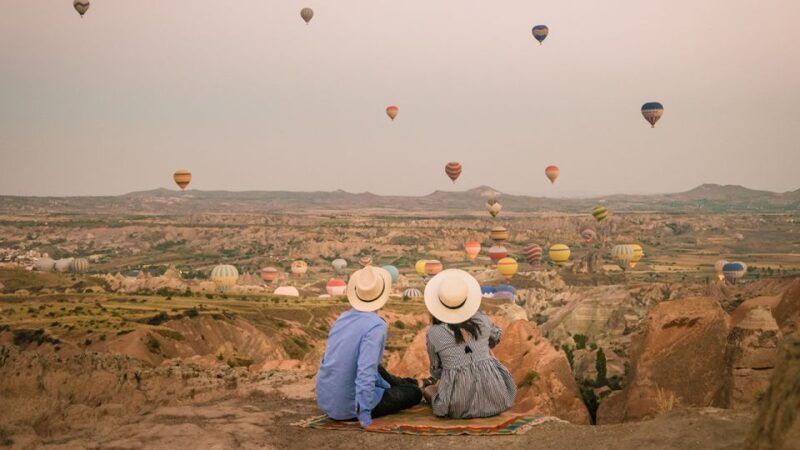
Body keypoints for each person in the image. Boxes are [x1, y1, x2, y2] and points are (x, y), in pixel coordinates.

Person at [316, 266, 422, 427]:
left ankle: (411, 382)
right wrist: (364, 414)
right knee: (414, 393)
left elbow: (331, 359)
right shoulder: (376, 326)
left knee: (379, 370)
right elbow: (365, 371)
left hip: (328, 402)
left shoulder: (342, 318)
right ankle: (415, 386)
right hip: (350, 408)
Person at [422, 269, 516, 419]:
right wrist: (482, 349)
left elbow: (436, 371)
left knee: (429, 390)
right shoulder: (482, 320)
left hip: (458, 407)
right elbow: (497, 336)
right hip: (497, 398)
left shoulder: (434, 333)